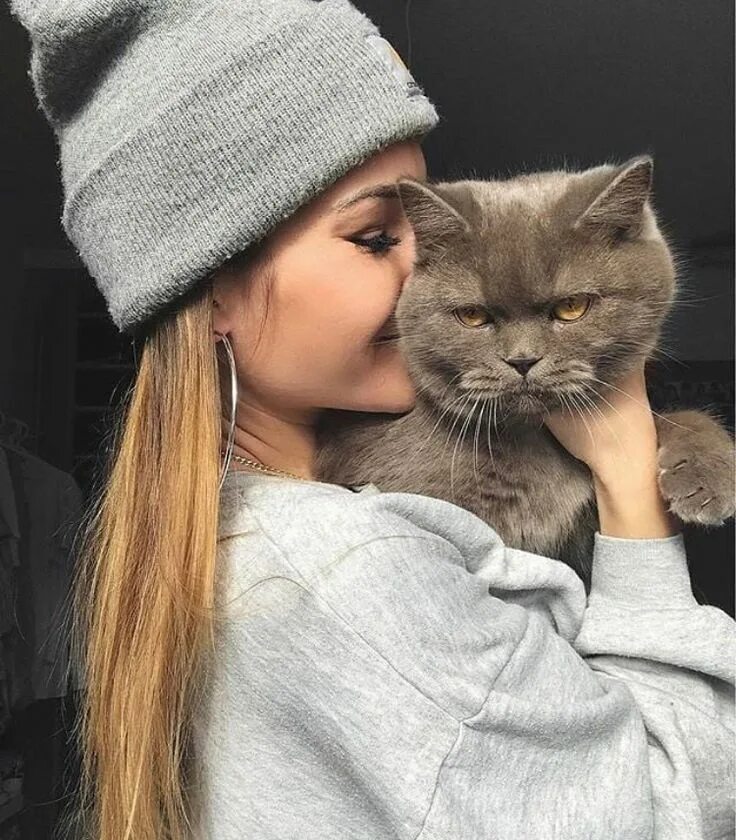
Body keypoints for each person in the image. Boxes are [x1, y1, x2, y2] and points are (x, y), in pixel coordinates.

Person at [9, 1, 733, 839]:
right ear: (212, 293)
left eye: (419, 235)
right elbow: (670, 803)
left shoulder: (224, 530)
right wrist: (635, 502)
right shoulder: (354, 569)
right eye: (375, 238)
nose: (424, 275)